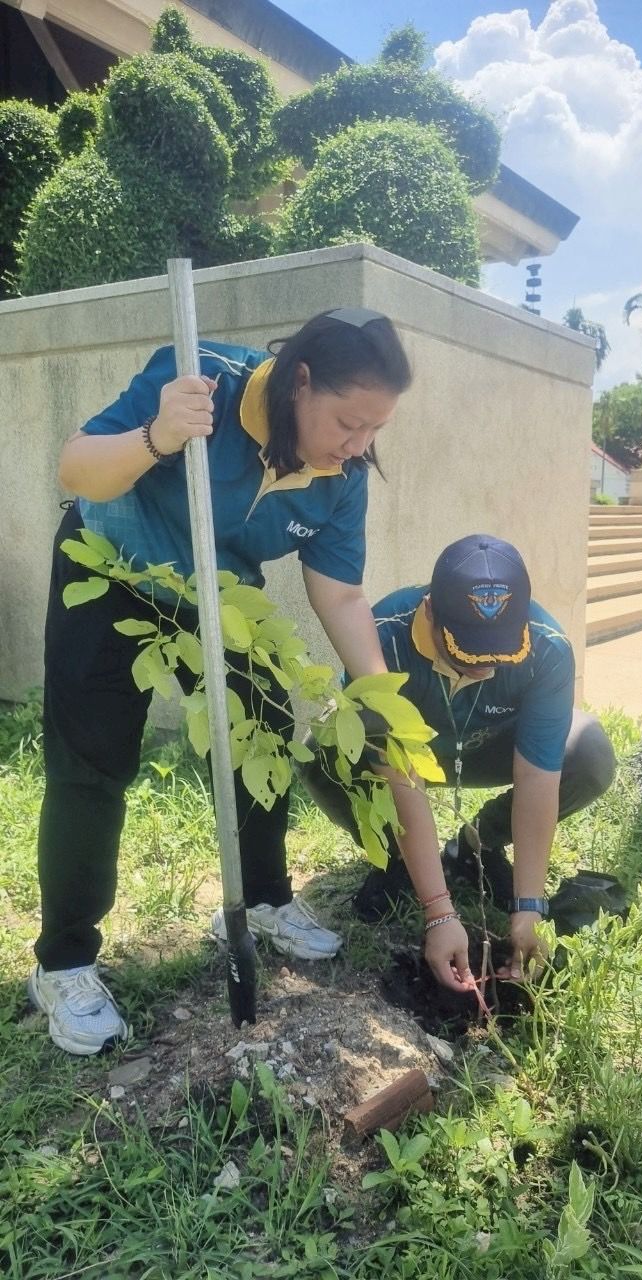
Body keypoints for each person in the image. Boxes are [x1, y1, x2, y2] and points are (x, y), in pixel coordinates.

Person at [29, 307, 413, 1056]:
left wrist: (379, 697)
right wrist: (158, 436)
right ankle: (64, 961)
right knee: (93, 762)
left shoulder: (340, 478)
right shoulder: (200, 377)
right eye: (346, 421)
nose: (358, 443)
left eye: (374, 429)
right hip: (110, 566)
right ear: (300, 382)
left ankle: (264, 898)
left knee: (262, 730)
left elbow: (338, 593)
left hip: (218, 595)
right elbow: (77, 467)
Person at [300, 534, 616, 989]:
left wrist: (530, 908)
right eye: (467, 651)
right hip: (410, 759)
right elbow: (402, 778)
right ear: (430, 611)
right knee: (320, 750)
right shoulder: (381, 641)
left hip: (493, 749)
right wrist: (438, 912)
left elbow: (537, 778)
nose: (484, 669)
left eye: (499, 653)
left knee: (590, 754)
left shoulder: (547, 649)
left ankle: (477, 844)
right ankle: (397, 859)